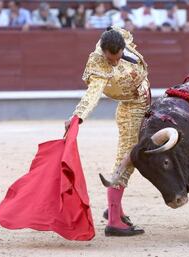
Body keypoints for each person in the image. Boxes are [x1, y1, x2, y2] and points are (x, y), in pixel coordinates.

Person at [65, 26, 150, 237]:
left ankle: (115, 209)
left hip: (145, 102)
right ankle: (113, 221)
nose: (112, 61)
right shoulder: (98, 62)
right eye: (109, 58)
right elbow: (92, 94)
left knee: (132, 158)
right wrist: (78, 117)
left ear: (123, 47)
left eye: (116, 57)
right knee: (127, 160)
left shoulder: (122, 38)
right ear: (103, 50)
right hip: (131, 110)